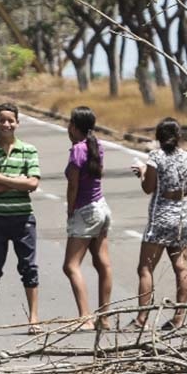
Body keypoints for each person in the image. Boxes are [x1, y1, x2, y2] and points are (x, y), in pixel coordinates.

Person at [128, 117, 187, 331]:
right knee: (181, 267)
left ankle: (142, 319)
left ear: (158, 138)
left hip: (160, 218)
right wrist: (179, 192)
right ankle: (179, 318)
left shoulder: (155, 157)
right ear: (179, 137)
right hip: (182, 218)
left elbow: (148, 188)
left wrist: (142, 173)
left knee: (145, 268)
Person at [0, 102, 41, 337]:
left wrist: (2, 177)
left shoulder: (29, 150)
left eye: (10, 120)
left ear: (17, 123)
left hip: (23, 219)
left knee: (29, 268)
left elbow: (33, 183)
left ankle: (34, 319)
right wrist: (18, 182)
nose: (6, 124)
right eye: (2, 120)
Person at [61, 106, 113, 331]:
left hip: (85, 210)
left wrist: (70, 210)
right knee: (102, 263)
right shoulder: (96, 145)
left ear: (74, 126)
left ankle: (85, 316)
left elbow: (73, 185)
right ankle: (105, 317)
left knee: (71, 266)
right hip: (101, 207)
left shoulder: (77, 151)